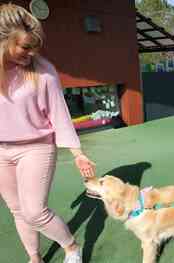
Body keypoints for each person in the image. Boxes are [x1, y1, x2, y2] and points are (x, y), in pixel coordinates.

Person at [0, 4, 95, 263]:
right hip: (1, 151)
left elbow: (59, 115)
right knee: (17, 210)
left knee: (34, 211)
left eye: (34, 47)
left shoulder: (44, 72)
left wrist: (78, 154)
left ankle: (71, 247)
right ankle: (35, 257)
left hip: (36, 147)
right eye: (25, 47)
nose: (31, 53)